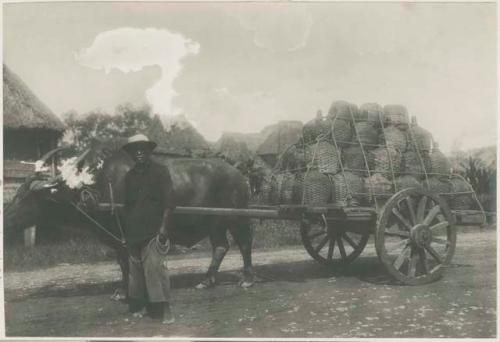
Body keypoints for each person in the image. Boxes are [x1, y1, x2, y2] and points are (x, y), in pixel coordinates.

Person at [121, 134, 175, 324]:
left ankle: (167, 309)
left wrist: (163, 228)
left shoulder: (161, 172)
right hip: (134, 232)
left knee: (156, 270)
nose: (139, 153)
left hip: (153, 231)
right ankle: (144, 305)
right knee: (137, 273)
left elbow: (169, 203)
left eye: (142, 149)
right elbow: (127, 207)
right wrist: (126, 234)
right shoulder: (129, 176)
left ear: (148, 151)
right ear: (131, 154)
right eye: (135, 150)